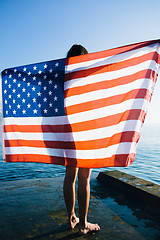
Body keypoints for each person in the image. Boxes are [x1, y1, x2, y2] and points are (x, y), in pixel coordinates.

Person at [63, 44, 100, 235]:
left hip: (68, 132)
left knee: (70, 176)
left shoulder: (64, 79)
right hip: (85, 131)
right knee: (84, 177)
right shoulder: (88, 79)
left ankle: (71, 218)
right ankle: (83, 225)